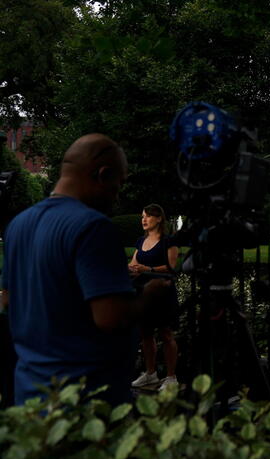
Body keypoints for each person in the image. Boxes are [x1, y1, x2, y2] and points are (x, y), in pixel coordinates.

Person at [1, 134, 169, 405]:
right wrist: (150, 295)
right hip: (85, 399)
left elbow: (7, 299)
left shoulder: (18, 225)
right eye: (119, 183)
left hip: (30, 397)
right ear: (103, 174)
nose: (117, 195)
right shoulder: (93, 227)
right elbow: (110, 317)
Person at [129, 204, 180, 391]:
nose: (143, 219)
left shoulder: (169, 241)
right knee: (146, 334)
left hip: (163, 292)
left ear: (159, 219)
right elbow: (134, 262)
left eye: (148, 216)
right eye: (142, 216)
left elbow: (172, 266)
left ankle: (171, 377)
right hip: (143, 293)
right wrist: (131, 268)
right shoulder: (140, 241)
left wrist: (148, 269)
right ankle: (151, 374)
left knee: (166, 333)